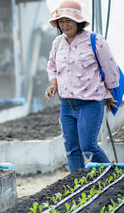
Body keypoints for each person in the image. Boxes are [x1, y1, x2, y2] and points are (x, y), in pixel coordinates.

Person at [45, 0, 120, 173]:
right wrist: (53, 84)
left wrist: (109, 94)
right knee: (72, 149)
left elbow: (110, 70)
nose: (65, 24)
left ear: (78, 21)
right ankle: (78, 185)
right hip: (66, 105)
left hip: (90, 103)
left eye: (69, 20)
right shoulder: (58, 43)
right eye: (61, 21)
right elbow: (52, 66)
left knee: (88, 146)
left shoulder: (95, 41)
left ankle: (114, 178)